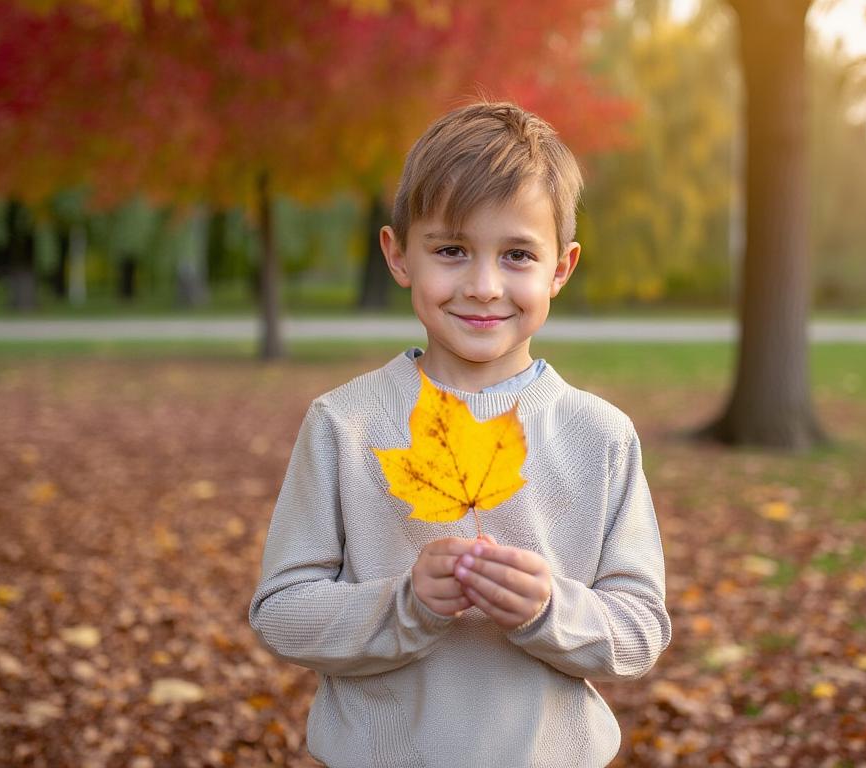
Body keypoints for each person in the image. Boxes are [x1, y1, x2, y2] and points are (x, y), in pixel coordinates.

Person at [248, 101, 670, 767]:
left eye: (518, 255)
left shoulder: (601, 437)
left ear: (561, 268)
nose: (483, 285)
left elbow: (640, 630)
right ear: (398, 255)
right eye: (451, 250)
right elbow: (282, 612)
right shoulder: (344, 424)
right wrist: (407, 605)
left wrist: (550, 609)